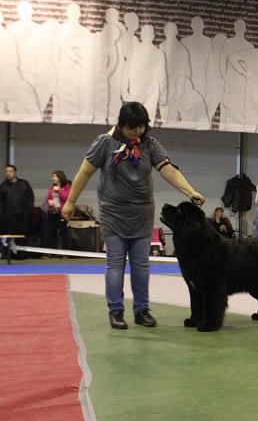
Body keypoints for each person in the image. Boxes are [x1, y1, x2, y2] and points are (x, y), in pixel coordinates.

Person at [61, 101, 205, 330]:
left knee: (141, 265)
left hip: (142, 214)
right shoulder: (105, 143)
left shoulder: (150, 144)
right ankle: (116, 311)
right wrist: (70, 202)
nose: (138, 131)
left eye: (141, 127)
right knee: (115, 264)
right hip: (113, 213)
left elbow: (167, 169)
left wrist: (190, 190)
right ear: (121, 124)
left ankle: (141, 310)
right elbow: (84, 172)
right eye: (132, 127)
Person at [0, 164, 34, 253]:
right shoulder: (3, 186)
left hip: (23, 215)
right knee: (10, 236)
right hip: (9, 216)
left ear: (15, 172)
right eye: (7, 171)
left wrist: (29, 211)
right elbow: (0, 201)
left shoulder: (24, 183)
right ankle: (9, 254)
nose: (8, 173)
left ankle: (22, 254)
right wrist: (1, 214)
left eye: (10, 171)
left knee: (22, 235)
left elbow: (30, 197)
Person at [41, 170, 71, 251]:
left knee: (63, 233)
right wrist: (49, 201)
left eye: (54, 176)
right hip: (52, 212)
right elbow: (49, 197)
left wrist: (59, 191)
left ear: (60, 178)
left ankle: (66, 252)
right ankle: (50, 251)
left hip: (61, 213)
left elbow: (67, 198)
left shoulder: (67, 187)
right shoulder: (52, 187)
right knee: (50, 233)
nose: (52, 178)